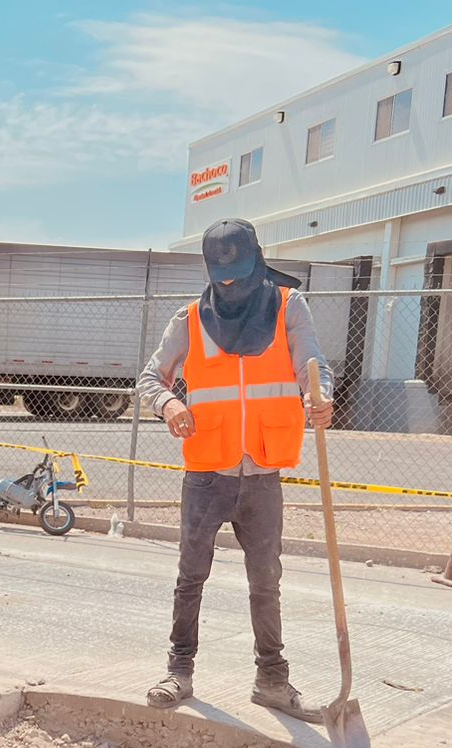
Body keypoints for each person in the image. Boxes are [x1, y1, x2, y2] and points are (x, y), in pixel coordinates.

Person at [137, 218, 334, 722]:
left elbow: (312, 363)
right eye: (218, 273)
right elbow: (149, 378)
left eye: (238, 272)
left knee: (266, 580)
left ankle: (272, 680)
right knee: (191, 576)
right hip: (207, 471)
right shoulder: (189, 318)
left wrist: (320, 396)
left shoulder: (289, 307)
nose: (227, 283)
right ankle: (178, 671)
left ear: (257, 261)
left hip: (263, 471)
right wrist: (168, 406)